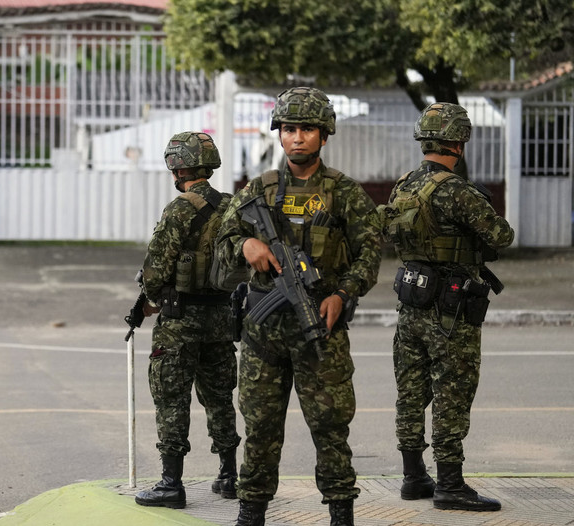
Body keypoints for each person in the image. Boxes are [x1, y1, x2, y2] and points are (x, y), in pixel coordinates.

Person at [215, 87, 382, 526]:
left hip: (319, 332)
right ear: (280, 134)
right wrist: (247, 245)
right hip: (263, 337)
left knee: (330, 428)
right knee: (260, 429)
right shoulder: (259, 189)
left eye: (308, 129)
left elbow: (370, 253)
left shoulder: (343, 192)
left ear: (324, 135)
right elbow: (223, 240)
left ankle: (341, 513)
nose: (298, 137)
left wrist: (343, 294)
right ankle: (251, 512)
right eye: (289, 128)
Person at [382, 103, 514, 511]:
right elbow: (502, 236)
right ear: (459, 142)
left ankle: (413, 477)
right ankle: (450, 485)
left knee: (410, 392)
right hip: (450, 311)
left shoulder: (403, 185)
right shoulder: (457, 191)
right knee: (451, 395)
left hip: (411, 304)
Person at [134, 132, 242, 510]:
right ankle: (229, 476)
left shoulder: (179, 209)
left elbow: (155, 271)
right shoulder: (230, 205)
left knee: (172, 399)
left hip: (180, 321)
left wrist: (149, 299)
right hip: (221, 318)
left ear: (179, 167)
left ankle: (171, 483)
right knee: (219, 398)